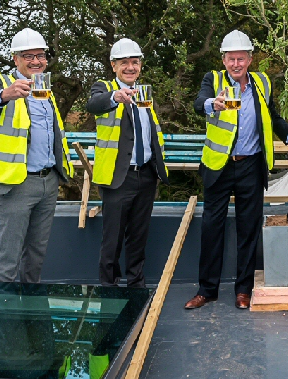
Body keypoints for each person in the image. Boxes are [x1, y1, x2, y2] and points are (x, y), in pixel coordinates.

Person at [184, 30, 288, 310]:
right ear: (224, 59)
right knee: (211, 228)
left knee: (248, 228)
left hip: (251, 166)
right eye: (231, 59)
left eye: (241, 58)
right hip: (218, 166)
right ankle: (207, 290)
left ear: (250, 59)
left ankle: (244, 290)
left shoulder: (262, 83)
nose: (236, 64)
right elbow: (198, 103)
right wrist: (211, 104)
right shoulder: (213, 80)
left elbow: (273, 117)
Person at [0, 28, 74, 283]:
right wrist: (5, 94)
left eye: (40, 56)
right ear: (15, 59)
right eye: (28, 56)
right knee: (9, 254)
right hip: (18, 182)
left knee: (36, 253)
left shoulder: (45, 90)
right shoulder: (2, 83)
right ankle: (6, 313)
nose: (36, 61)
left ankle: (30, 310)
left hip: (48, 181)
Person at [86, 38, 169, 288]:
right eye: (125, 63)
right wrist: (116, 97)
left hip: (145, 175)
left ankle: (136, 287)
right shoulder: (104, 88)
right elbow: (94, 104)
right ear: (114, 65)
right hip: (117, 178)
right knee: (112, 240)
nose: (131, 67)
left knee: (139, 237)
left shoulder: (144, 93)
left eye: (135, 62)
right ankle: (109, 289)